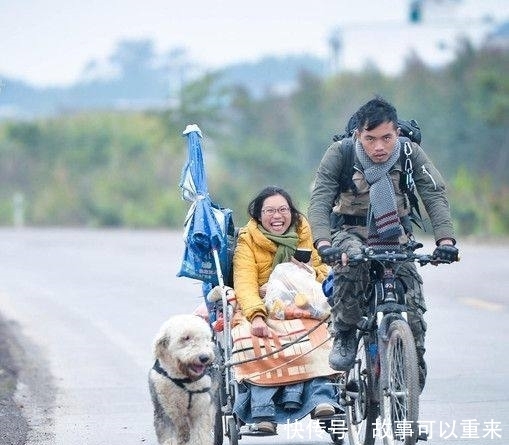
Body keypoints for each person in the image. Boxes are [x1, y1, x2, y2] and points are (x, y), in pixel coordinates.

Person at [308, 96, 459, 391]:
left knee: (413, 302)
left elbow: (434, 194)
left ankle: (411, 366)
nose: (379, 147)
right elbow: (320, 199)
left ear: (397, 134)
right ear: (358, 135)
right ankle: (345, 332)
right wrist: (324, 243)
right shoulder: (341, 153)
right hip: (349, 233)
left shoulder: (409, 153)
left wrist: (445, 240)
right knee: (349, 266)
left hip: (395, 234)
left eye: (386, 138)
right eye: (371, 138)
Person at [231, 185, 340, 434]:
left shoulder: (303, 232)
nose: (277, 216)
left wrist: (309, 272)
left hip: (302, 302)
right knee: (251, 338)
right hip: (261, 306)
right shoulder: (248, 241)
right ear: (258, 215)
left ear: (291, 212)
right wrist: (257, 316)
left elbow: (322, 271)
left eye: (283, 209)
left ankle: (321, 399)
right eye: (270, 211)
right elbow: (244, 283)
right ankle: (263, 410)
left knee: (319, 333)